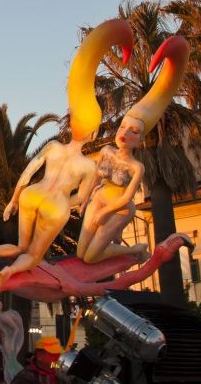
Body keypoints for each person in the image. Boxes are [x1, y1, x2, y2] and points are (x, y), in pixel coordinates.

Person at [0, 19, 134, 293]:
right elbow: (81, 201)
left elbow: (28, 173)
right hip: (56, 205)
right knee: (32, 256)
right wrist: (86, 205)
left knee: (19, 244)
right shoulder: (88, 166)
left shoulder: (53, 148)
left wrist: (14, 200)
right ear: (94, 132)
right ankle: (8, 270)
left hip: (33, 194)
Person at [77, 35, 189, 263]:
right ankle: (128, 250)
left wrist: (104, 213)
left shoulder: (136, 167)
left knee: (90, 258)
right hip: (99, 200)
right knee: (81, 253)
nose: (124, 133)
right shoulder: (107, 151)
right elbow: (96, 179)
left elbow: (128, 197)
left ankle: (134, 250)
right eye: (123, 127)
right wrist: (85, 201)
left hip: (118, 210)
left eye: (133, 132)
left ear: (140, 142)